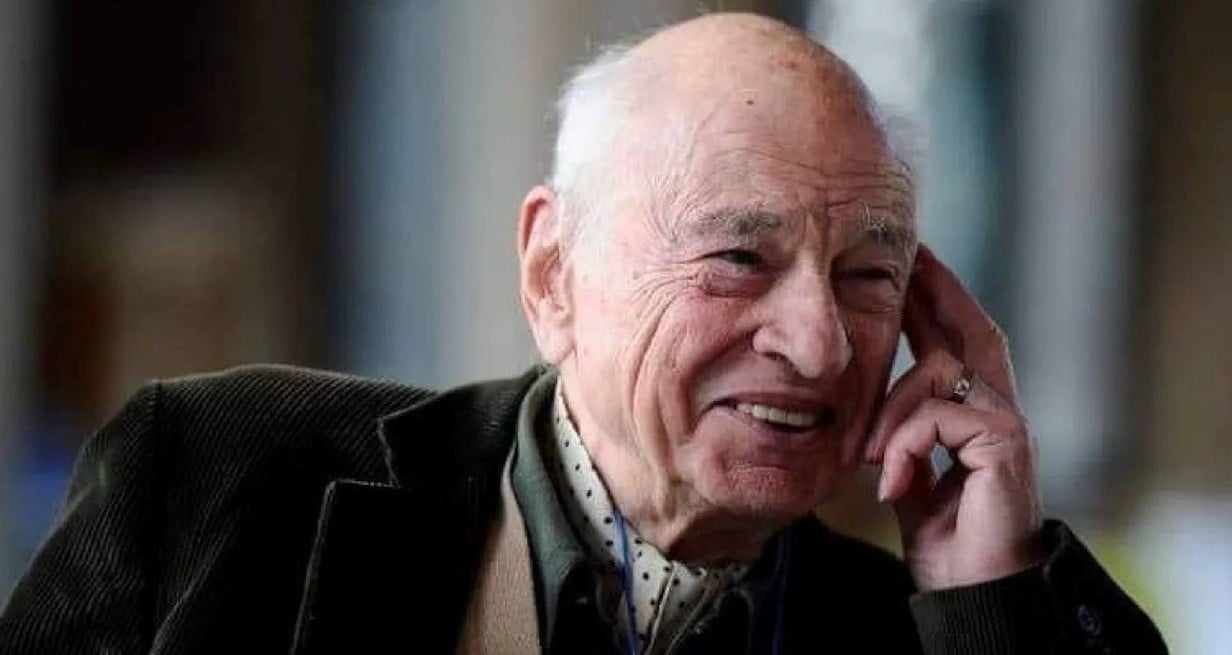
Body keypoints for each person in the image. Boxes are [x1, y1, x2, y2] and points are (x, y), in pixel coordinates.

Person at [0, 12, 1164, 655]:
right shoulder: (220, 480)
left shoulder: (933, 629)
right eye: (738, 258)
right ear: (553, 272)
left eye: (868, 275)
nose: (818, 344)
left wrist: (989, 601)